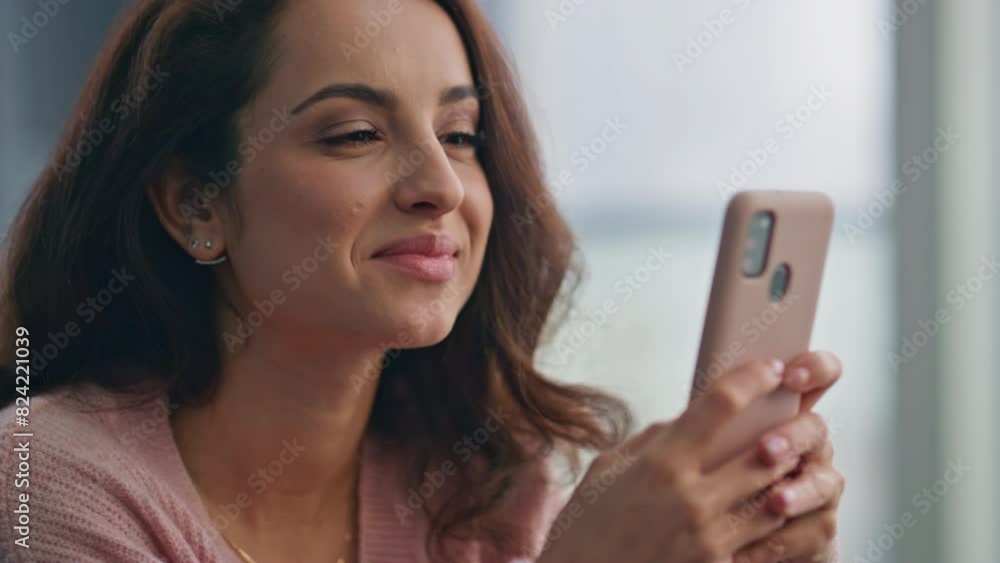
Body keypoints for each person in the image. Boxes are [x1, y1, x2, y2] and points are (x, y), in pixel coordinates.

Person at [0, 1, 844, 561]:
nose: (440, 185)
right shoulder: (48, 483)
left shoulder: (486, 492)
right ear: (196, 203)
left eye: (461, 134)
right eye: (356, 134)